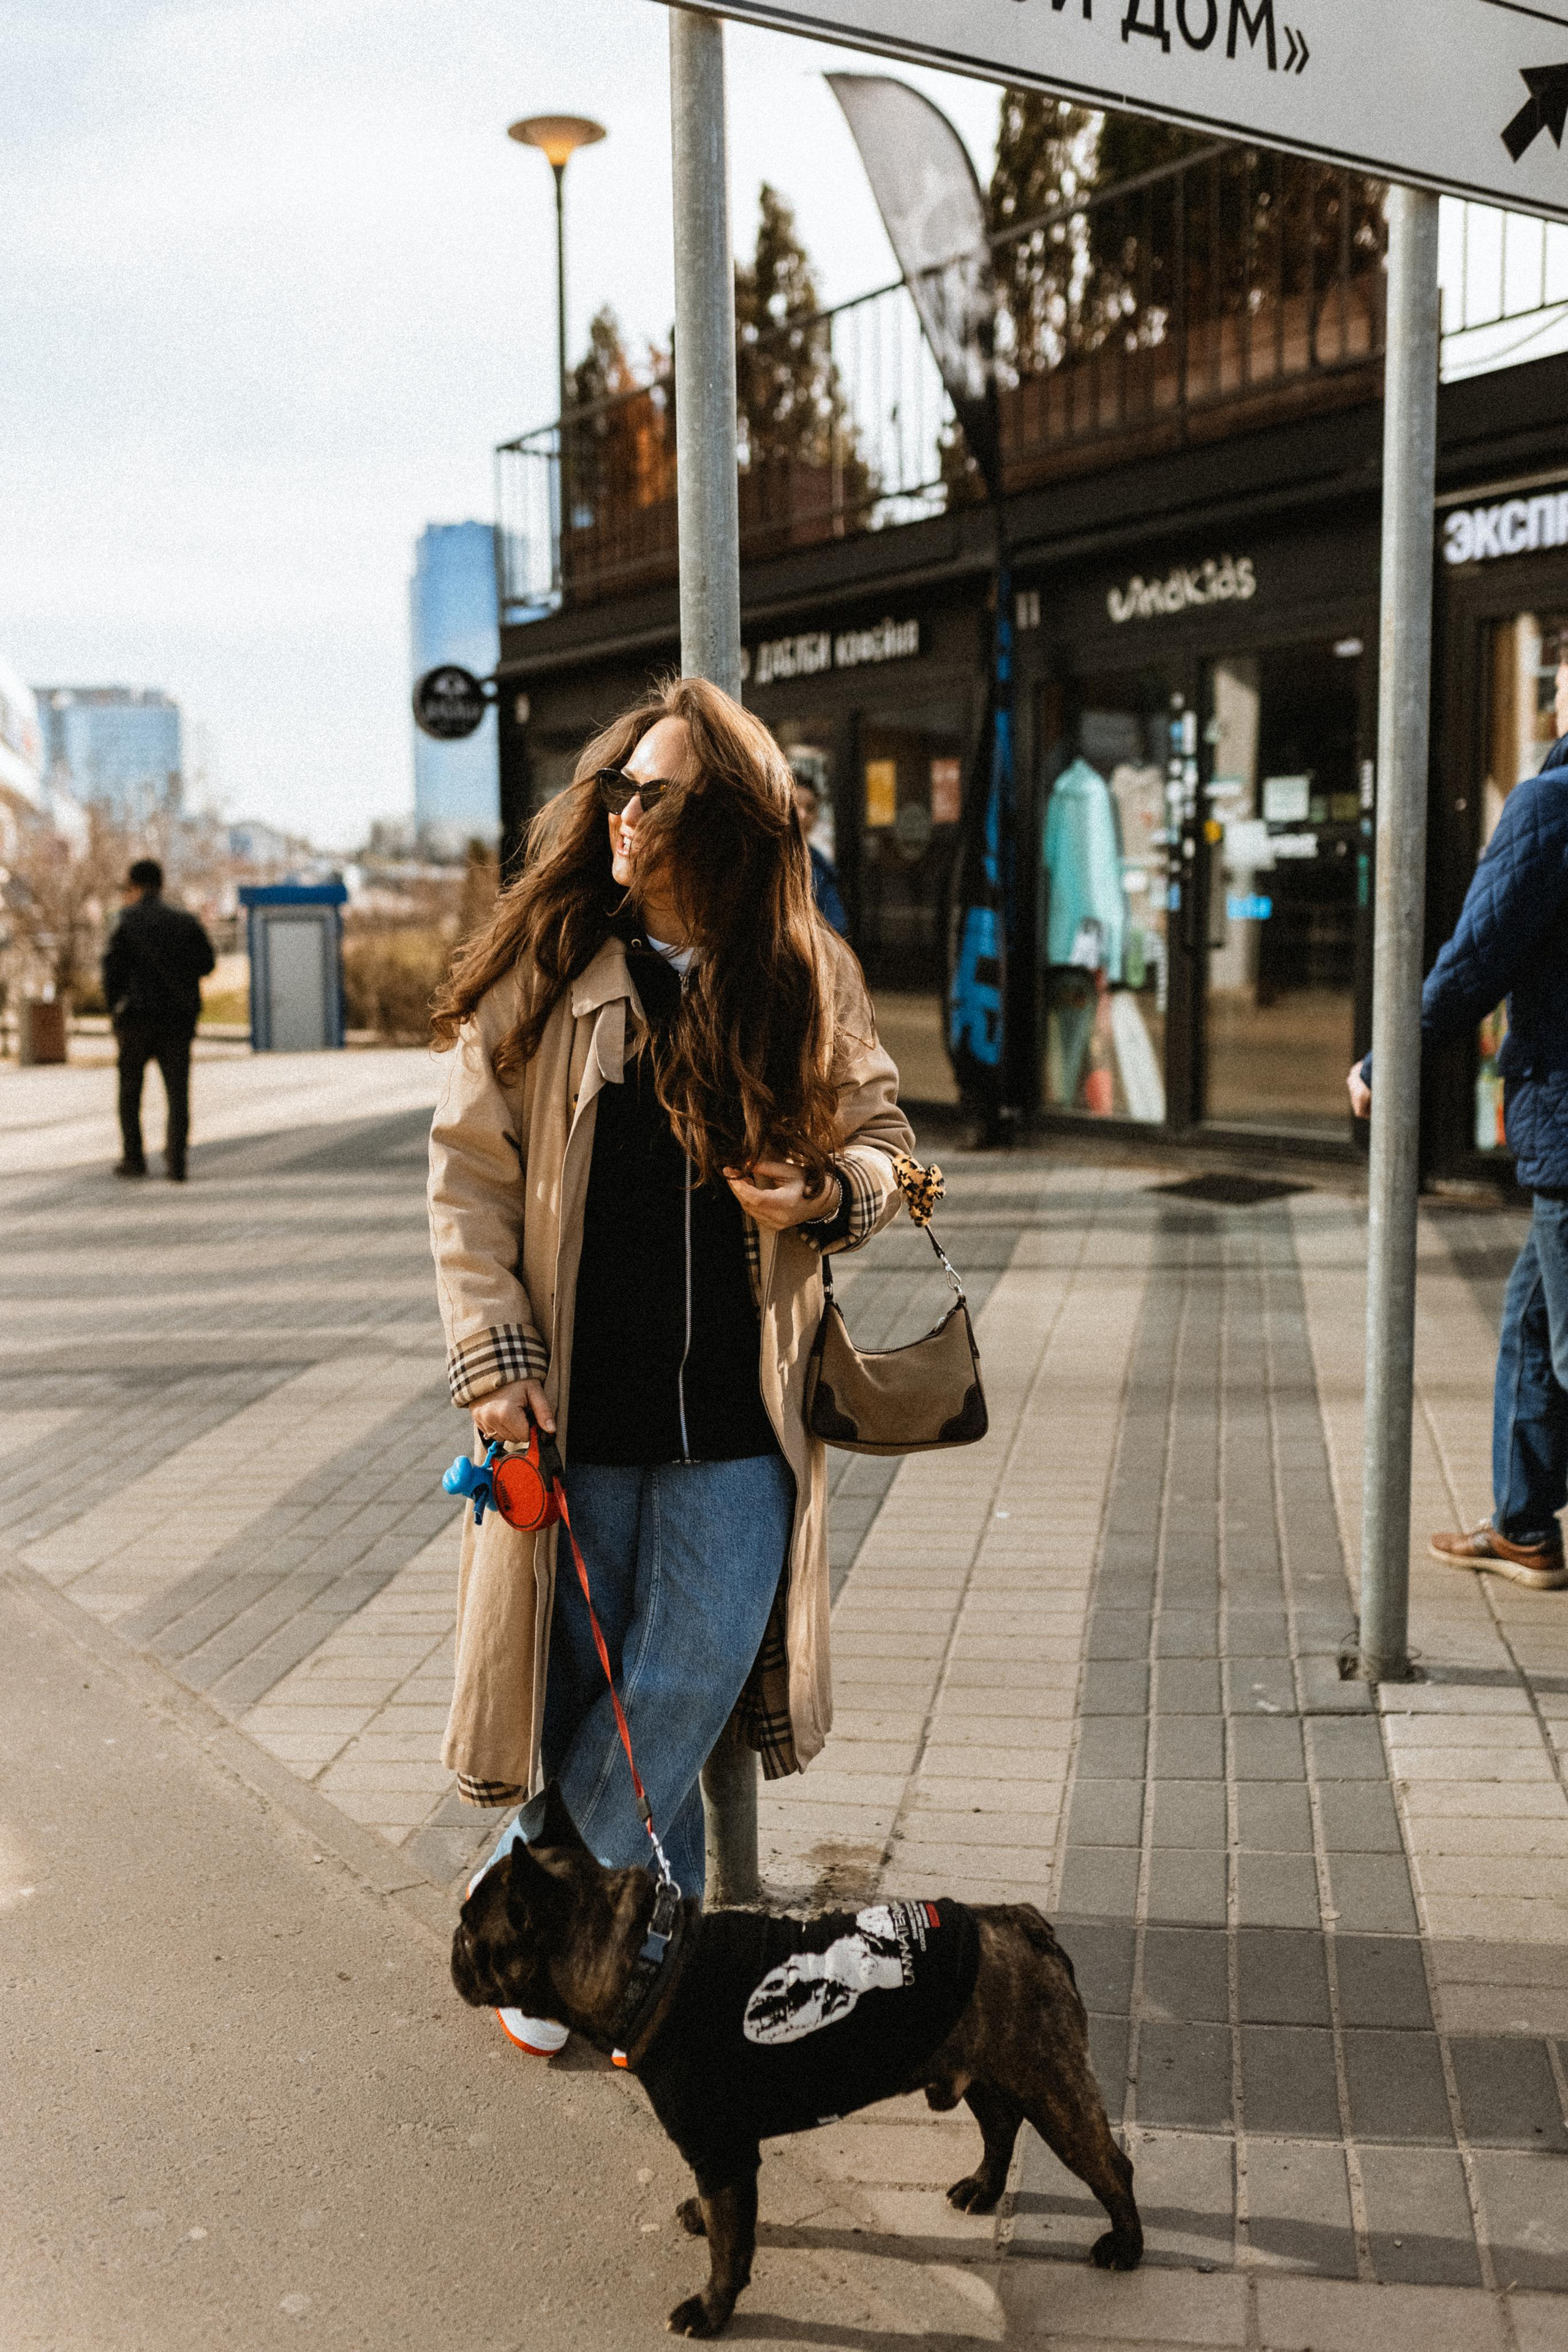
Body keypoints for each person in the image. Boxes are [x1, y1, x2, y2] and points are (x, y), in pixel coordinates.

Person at [428, 676, 914, 2056]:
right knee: (582, 1691)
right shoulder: (547, 968)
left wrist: (831, 1194)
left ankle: (528, 1909)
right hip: (574, 1413)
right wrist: (493, 1363)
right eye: (617, 788)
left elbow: (893, 1150)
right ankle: (643, 1962)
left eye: (656, 793)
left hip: (739, 1427)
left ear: (733, 822)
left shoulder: (805, 976)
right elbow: (466, 1182)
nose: (624, 815)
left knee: (680, 1689)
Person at [1348, 655, 1568, 1593]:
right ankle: (1523, 1526)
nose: (1552, 694)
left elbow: (1478, 956)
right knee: (1531, 1321)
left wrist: (1386, 1062)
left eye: (1561, 678)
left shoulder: (1550, 804)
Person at [101, 857, 215, 1183]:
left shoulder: (124, 922)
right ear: (161, 885)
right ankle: (177, 1161)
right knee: (178, 1094)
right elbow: (207, 964)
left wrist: (115, 1011)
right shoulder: (185, 922)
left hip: (135, 1021)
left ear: (134, 886)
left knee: (130, 1093)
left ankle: (134, 1159)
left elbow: (110, 972)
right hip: (177, 1021)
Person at [793, 777, 848, 937]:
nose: (803, 815)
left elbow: (837, 923)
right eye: (796, 806)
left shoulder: (818, 864)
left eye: (810, 809)